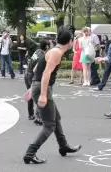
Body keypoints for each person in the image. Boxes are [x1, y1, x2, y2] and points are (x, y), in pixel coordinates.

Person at [23, 26, 81, 164]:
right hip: (43, 88)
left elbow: (37, 68)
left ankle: (63, 146)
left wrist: (33, 88)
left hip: (39, 86)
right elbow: (45, 73)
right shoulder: (56, 53)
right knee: (49, 125)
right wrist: (42, 94)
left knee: (56, 117)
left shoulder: (53, 51)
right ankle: (30, 153)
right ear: (70, 41)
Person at [24, 39, 51, 124]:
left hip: (27, 74)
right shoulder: (42, 56)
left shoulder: (37, 51)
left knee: (31, 94)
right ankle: (38, 117)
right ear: (47, 46)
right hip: (33, 76)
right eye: (50, 44)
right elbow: (36, 69)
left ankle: (31, 114)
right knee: (39, 95)